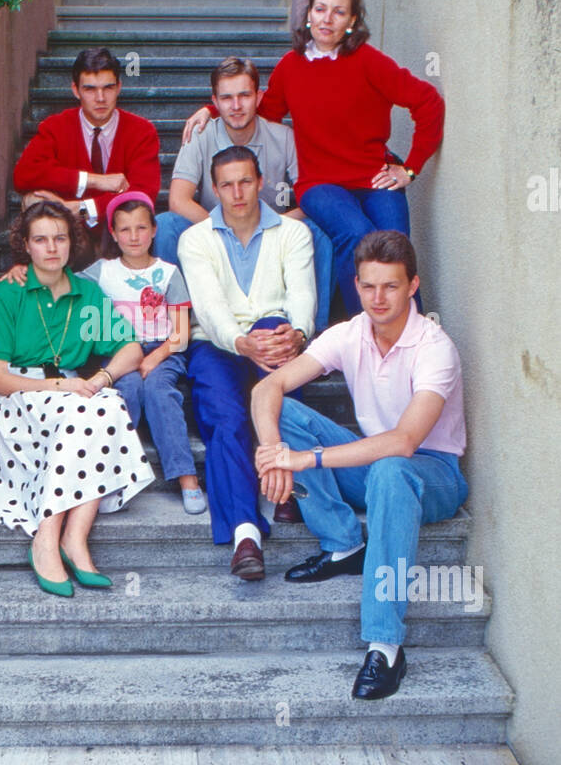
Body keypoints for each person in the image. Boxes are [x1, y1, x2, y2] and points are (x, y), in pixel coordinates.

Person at [252, 230, 467, 700]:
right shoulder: (350, 333)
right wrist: (272, 453)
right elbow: (266, 389)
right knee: (284, 412)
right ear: (356, 285)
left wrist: (304, 458)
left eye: (390, 286)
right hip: (372, 463)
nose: (378, 298)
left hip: (432, 475)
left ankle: (385, 645)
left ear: (412, 285)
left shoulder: (435, 347)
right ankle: (344, 545)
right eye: (368, 287)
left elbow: (406, 441)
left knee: (391, 468)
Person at [181, 0, 444, 315]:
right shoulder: (292, 66)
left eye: (338, 12)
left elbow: (428, 102)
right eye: (320, 9)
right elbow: (261, 107)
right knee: (359, 237)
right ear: (309, 14)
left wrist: (410, 167)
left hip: (374, 175)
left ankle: (413, 343)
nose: (327, 19)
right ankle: (363, 336)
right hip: (320, 182)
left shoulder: (369, 61)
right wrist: (208, 107)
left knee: (397, 247)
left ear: (351, 21)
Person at [0, 200, 154, 595]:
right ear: (26, 247)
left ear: (72, 242)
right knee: (83, 411)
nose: (51, 248)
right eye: (40, 240)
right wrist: (63, 388)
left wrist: (102, 377)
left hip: (70, 394)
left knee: (108, 403)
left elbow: (131, 349)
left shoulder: (86, 292)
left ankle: (75, 536)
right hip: (13, 398)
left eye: (60, 238)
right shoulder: (9, 293)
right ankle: (47, 539)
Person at [177, 145, 317, 579]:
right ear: (214, 190)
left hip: (276, 338)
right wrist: (240, 342)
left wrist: (297, 335)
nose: (237, 192)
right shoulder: (194, 239)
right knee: (225, 417)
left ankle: (287, 484)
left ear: (260, 182)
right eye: (227, 184)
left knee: (275, 348)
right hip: (218, 344)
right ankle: (245, 535)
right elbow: (210, 306)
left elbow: (302, 296)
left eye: (245, 181)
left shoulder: (293, 234)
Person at [155, 56, 334, 331]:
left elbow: (312, 198)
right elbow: (178, 199)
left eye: (244, 96)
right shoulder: (201, 134)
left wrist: (278, 225)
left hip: (270, 234)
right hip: (211, 231)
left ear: (259, 97)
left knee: (317, 230)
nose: (236, 106)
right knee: (166, 224)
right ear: (214, 102)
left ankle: (312, 336)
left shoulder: (283, 137)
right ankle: (173, 330)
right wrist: (223, 228)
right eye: (227, 98)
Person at [82, 192, 205, 514]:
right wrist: (22, 272)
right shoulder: (103, 271)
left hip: (162, 351)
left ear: (153, 231)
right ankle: (114, 476)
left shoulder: (168, 273)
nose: (133, 237)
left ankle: (186, 477)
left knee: (159, 392)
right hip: (120, 353)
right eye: (124, 229)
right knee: (128, 390)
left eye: (140, 228)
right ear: (113, 233)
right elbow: (64, 286)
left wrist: (155, 357)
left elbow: (180, 334)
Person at [12, 46, 160, 253]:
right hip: (72, 238)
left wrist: (80, 208)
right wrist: (93, 180)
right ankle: (34, 271)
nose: (100, 98)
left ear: (119, 87)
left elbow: (143, 193)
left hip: (122, 235)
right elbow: (24, 175)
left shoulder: (141, 131)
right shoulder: (56, 126)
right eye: (90, 89)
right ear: (76, 90)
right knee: (33, 200)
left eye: (108, 87)